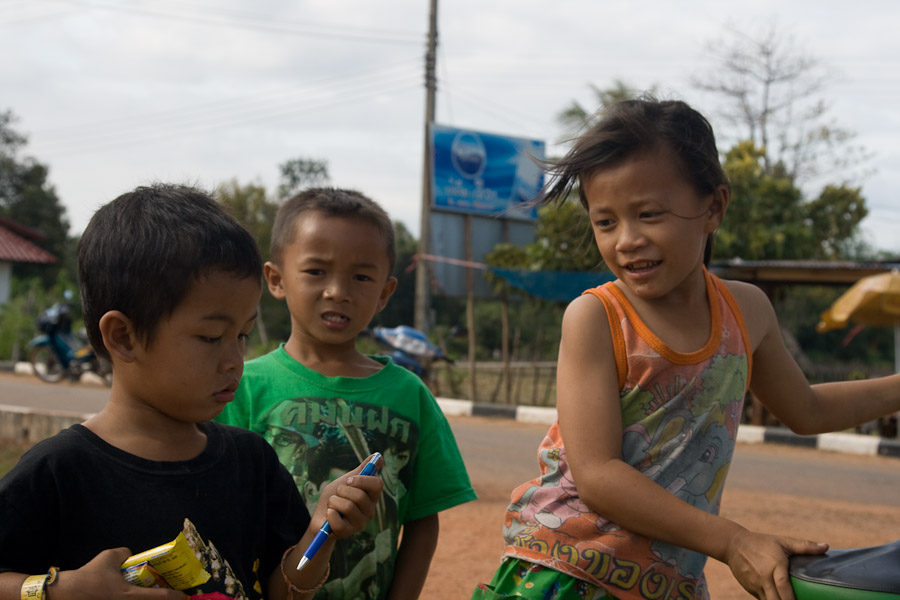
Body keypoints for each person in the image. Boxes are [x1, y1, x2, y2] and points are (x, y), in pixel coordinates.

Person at [471, 97, 900, 600]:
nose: (626, 240)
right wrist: (733, 540)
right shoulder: (597, 317)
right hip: (567, 572)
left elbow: (806, 408)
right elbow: (598, 476)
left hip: (667, 583)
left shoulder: (748, 311)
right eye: (605, 222)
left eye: (648, 214)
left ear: (713, 207)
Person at [0, 183, 383, 600]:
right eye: (210, 336)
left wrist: (320, 532)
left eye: (243, 334)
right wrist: (55, 591)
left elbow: (283, 591)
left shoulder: (251, 463)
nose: (235, 359)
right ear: (124, 337)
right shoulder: (60, 472)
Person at [216, 187, 477, 599]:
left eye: (360, 276)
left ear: (385, 294)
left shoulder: (409, 395)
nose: (338, 290)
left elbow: (424, 520)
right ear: (277, 280)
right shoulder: (242, 388)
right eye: (316, 271)